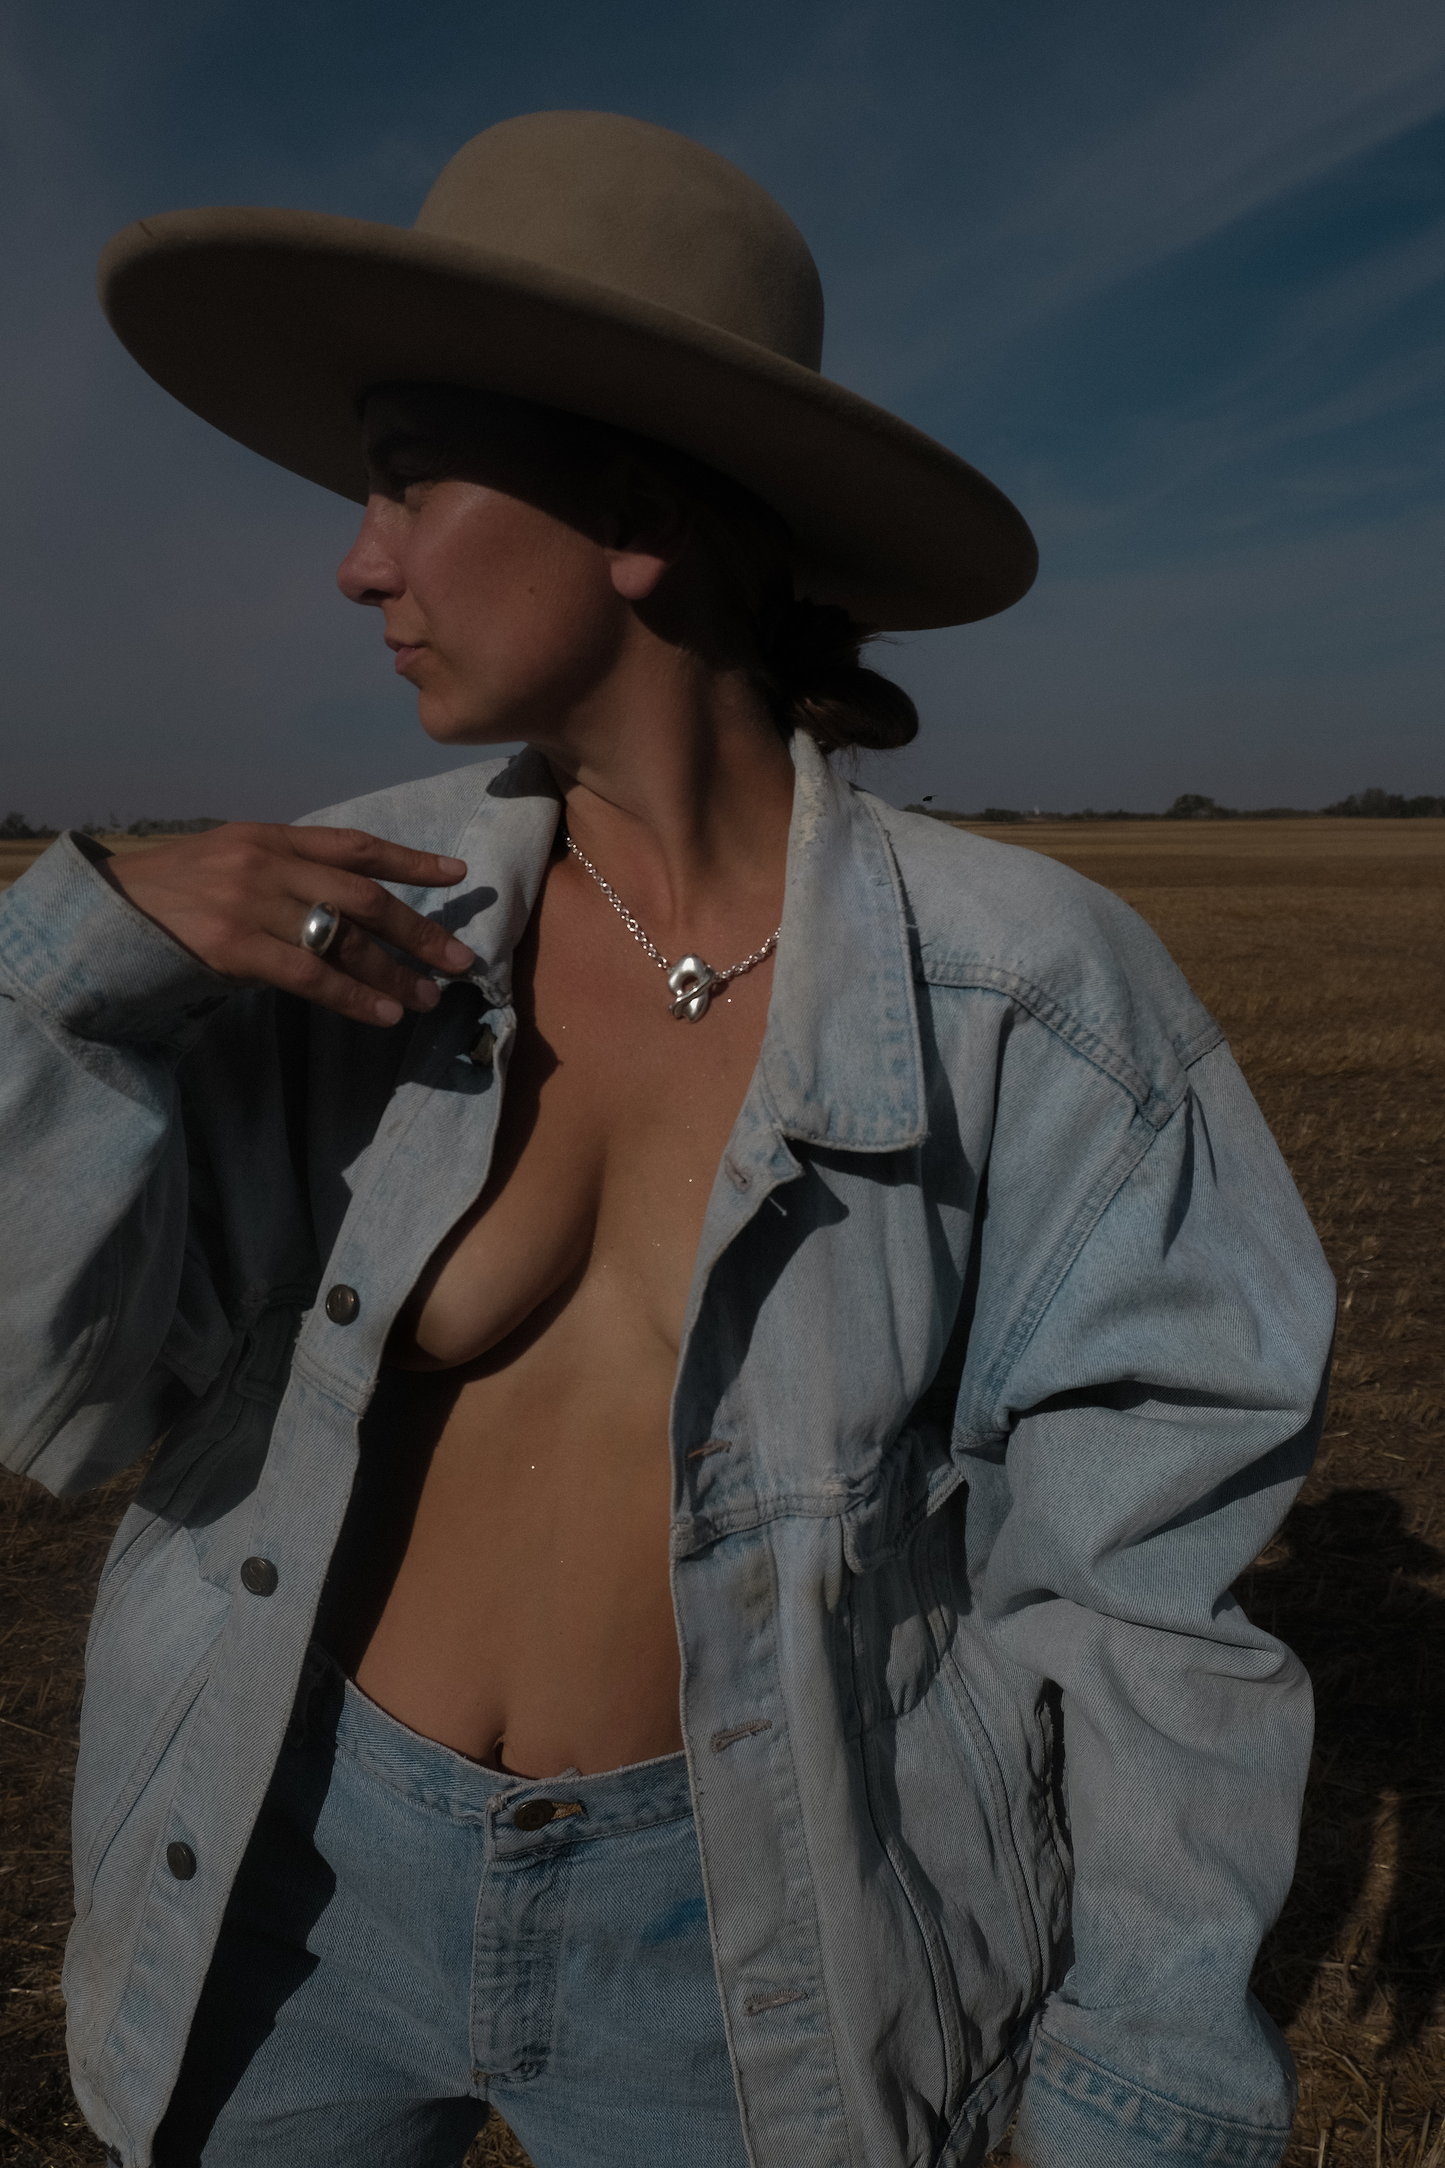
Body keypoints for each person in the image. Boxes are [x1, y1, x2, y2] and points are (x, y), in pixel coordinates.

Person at [0, 111, 1333, 2168]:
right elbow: (64, 1411)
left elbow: (1139, 1613)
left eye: (405, 475)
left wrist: (1132, 2096)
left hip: (747, 1945)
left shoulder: (1030, 999)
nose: (357, 560)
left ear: (630, 511)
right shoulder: (337, 929)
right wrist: (70, 983)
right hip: (291, 1882)